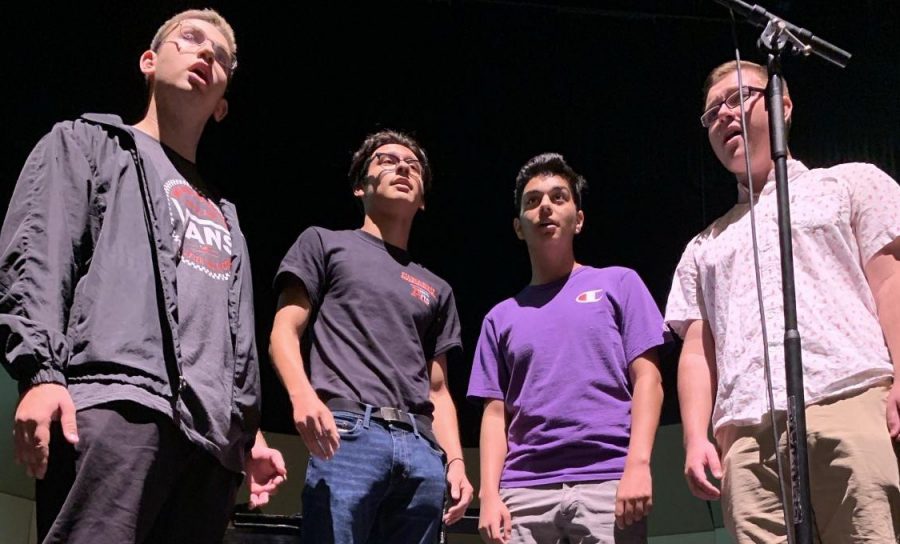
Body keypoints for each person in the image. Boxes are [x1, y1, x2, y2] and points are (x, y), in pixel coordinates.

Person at [0, 9, 286, 543]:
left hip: (209, 447)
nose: (206, 53)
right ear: (149, 62)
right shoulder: (86, 143)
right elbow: (37, 259)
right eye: (191, 39)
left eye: (220, 56)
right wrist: (40, 375)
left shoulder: (225, 215)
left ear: (222, 105)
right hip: (115, 407)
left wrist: (248, 436)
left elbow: (223, 339)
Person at [666, 60, 900, 542]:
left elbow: (890, 283)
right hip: (746, 432)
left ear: (782, 105)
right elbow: (696, 349)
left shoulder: (848, 184)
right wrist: (694, 437)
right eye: (712, 113)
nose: (724, 116)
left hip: (848, 397)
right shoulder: (703, 246)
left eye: (736, 99)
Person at [269, 129, 474, 543]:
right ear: (360, 187)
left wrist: (454, 460)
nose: (402, 167)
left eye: (413, 166)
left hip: (421, 445)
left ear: (422, 200)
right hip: (347, 434)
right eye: (386, 160)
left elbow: (438, 389)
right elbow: (283, 331)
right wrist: (302, 395)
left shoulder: (436, 287)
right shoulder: (324, 244)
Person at [468, 153, 665, 544]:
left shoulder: (619, 284)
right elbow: (494, 415)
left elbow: (649, 379)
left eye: (558, 198)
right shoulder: (500, 318)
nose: (544, 207)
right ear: (518, 227)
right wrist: (489, 495)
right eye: (532, 200)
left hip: (607, 482)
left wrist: (638, 464)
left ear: (578, 219)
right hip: (522, 494)